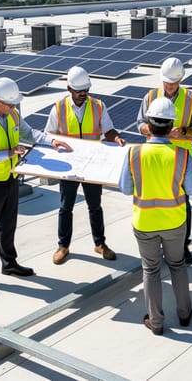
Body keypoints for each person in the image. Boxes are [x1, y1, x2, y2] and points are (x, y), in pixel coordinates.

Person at [0, 77, 72, 295]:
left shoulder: (12, 114)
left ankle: (9, 263)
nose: (14, 107)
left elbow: (29, 133)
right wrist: (7, 154)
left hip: (11, 177)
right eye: (10, 103)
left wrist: (51, 141)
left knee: (9, 223)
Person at [120, 98, 192, 335]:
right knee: (177, 266)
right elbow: (191, 190)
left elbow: (124, 188)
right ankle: (184, 314)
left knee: (150, 270)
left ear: (149, 125)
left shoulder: (134, 153)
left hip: (144, 222)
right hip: (174, 221)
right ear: (171, 124)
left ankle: (156, 321)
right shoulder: (182, 155)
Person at [45, 66, 126, 265]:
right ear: (69, 89)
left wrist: (116, 138)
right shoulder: (59, 108)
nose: (83, 94)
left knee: (95, 206)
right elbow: (49, 135)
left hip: (92, 165)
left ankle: (100, 244)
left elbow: (108, 130)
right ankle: (63, 246)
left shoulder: (98, 106)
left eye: (86, 90)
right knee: (66, 207)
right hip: (69, 167)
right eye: (79, 90)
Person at [135, 57, 192, 264]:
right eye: (167, 82)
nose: (170, 86)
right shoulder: (150, 96)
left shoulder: (191, 100)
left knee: (184, 202)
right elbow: (139, 123)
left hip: (179, 160)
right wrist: (152, 128)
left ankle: (183, 246)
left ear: (181, 79)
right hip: (155, 158)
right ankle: (156, 244)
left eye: (174, 82)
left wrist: (183, 131)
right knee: (156, 203)